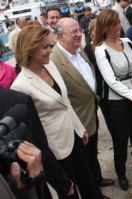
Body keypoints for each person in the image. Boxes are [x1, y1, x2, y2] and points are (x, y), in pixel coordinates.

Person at [11, 25, 105, 199]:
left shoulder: (50, 66)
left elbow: (65, 102)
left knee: (87, 180)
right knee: (68, 190)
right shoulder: (20, 86)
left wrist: (79, 127)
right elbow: (33, 129)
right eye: (45, 47)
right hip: (56, 148)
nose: (50, 51)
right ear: (30, 50)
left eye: (50, 46)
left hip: (73, 135)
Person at [50, 18, 114, 191]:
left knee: (93, 151)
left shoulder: (78, 51)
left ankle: (97, 178)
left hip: (90, 111)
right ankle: (93, 190)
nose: (80, 34)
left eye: (80, 30)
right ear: (60, 36)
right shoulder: (54, 61)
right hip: (76, 120)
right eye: (74, 32)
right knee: (83, 162)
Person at [93, 9, 132, 191]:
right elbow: (111, 81)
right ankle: (121, 173)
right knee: (120, 138)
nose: (118, 27)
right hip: (117, 103)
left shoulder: (128, 42)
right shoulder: (101, 51)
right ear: (105, 27)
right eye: (113, 24)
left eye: (118, 23)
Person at [0, 86, 76, 199]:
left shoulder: (17, 103)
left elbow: (38, 150)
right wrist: (63, 184)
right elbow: (42, 151)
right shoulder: (16, 99)